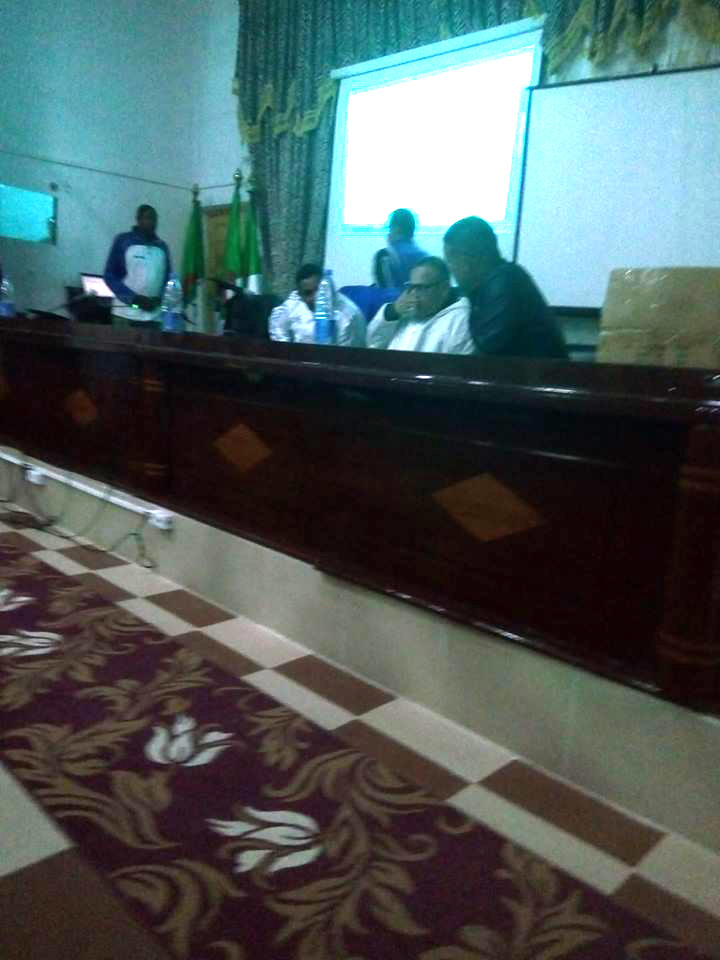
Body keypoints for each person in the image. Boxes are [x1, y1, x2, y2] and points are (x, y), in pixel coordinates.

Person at [443, 217, 567, 359]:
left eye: (450, 259)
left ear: (471, 258)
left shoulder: (504, 283)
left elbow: (486, 351)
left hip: (536, 372)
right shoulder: (498, 280)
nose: (450, 269)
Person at [367, 256, 475, 355]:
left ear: (444, 288)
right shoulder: (405, 311)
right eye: (411, 287)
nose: (413, 294)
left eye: (420, 288)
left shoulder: (462, 319)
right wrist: (393, 311)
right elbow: (373, 344)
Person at [104, 204, 171, 327]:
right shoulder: (123, 241)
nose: (151, 222)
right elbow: (110, 276)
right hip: (126, 314)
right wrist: (134, 299)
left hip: (153, 316)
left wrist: (160, 299)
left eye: (154, 219)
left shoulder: (162, 247)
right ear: (138, 220)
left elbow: (168, 280)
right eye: (147, 218)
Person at [268, 263, 366, 346]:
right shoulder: (293, 304)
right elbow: (278, 327)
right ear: (299, 294)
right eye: (308, 293)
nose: (316, 297)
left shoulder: (347, 315)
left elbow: (345, 356)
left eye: (319, 289)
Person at [373, 208, 428, 289]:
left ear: (396, 228)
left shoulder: (385, 255)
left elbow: (382, 291)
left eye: (389, 228)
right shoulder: (426, 256)